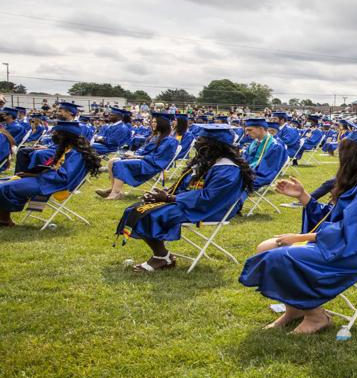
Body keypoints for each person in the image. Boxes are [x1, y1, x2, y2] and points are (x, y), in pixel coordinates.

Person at [240, 123, 357, 335]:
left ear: (356, 157)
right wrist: (304, 197)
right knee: (265, 248)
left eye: (344, 154)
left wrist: (299, 238)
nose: (340, 158)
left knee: (279, 257)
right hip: (345, 241)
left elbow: (353, 231)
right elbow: (334, 216)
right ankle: (295, 309)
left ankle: (316, 316)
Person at [113, 124, 252, 272]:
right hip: (191, 202)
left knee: (151, 213)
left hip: (212, 209)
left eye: (202, 140)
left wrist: (170, 198)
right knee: (136, 208)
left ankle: (161, 257)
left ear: (215, 145)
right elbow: (186, 185)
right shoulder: (209, 161)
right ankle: (163, 256)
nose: (197, 143)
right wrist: (164, 193)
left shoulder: (227, 168)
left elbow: (210, 197)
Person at [0, 121, 101, 227]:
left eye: (57, 133)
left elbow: (63, 177)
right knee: (5, 181)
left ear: (66, 135)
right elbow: (55, 168)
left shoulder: (77, 154)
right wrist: (34, 173)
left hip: (53, 185)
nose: (53, 134)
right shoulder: (67, 149)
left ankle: (4, 220)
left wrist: (35, 175)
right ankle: (3, 218)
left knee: (4, 187)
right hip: (46, 180)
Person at [96, 111, 179, 200]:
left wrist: (137, 157)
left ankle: (116, 193)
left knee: (120, 163)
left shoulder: (170, 141)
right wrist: (133, 154)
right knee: (112, 161)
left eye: (156, 122)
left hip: (151, 165)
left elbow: (158, 158)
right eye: (153, 122)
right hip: (143, 160)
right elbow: (143, 149)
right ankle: (113, 189)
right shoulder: (154, 136)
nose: (153, 124)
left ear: (163, 124)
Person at [239, 118, 288, 194]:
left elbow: (266, 171)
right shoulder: (254, 143)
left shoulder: (275, 146)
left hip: (257, 177)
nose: (247, 133)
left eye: (249, 130)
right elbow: (244, 159)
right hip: (247, 173)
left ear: (261, 129)